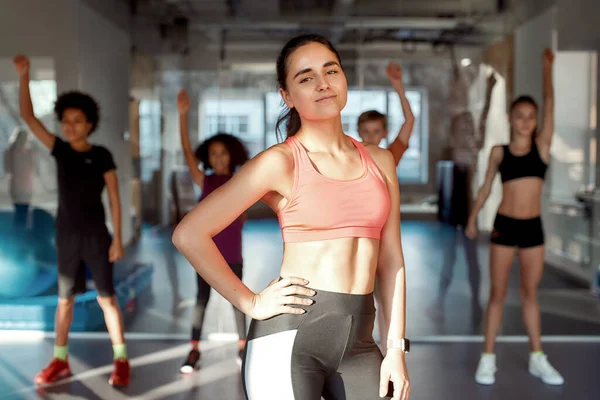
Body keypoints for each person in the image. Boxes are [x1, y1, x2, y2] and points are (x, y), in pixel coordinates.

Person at [173, 34, 410, 400]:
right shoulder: (280, 162)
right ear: (287, 95)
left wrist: (395, 347)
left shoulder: (380, 162)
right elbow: (189, 234)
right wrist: (250, 302)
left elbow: (391, 259)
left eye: (330, 70)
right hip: (289, 339)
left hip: (361, 342)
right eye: (305, 77)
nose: (322, 83)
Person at [13, 55, 130, 387]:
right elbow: (28, 116)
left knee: (107, 298)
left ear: (90, 123)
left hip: (97, 237)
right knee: (65, 300)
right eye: (65, 120)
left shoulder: (102, 155)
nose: (70, 126)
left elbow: (115, 198)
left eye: (77, 121)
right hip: (66, 237)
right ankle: (60, 360)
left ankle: (120, 359)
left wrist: (118, 239)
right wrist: (25, 77)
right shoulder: (60, 150)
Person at [466, 49, 564, 386]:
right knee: (496, 295)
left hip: (532, 228)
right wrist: (471, 219)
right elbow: (484, 188)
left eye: (530, 116)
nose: (525, 120)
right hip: (504, 226)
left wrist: (547, 69)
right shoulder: (499, 152)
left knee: (530, 294)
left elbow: (551, 105)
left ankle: (538, 358)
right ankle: (487, 358)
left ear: (536, 121)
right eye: (519, 115)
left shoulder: (542, 148)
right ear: (510, 118)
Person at [176, 89, 250, 373]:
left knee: (238, 301)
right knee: (201, 301)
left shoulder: (241, 181)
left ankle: (243, 348)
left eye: (223, 154)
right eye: (213, 154)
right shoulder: (204, 180)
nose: (218, 158)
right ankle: (194, 350)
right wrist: (183, 116)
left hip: (232, 255)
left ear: (232, 155)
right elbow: (186, 152)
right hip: (205, 255)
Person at [430, 71, 497, 323]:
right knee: (448, 260)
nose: (469, 130)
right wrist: (453, 87)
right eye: (464, 127)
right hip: (451, 212)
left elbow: (484, 119)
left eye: (470, 127)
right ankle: (438, 302)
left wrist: (489, 92)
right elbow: (454, 114)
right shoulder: (452, 149)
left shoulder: (473, 150)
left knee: (472, 262)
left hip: (468, 210)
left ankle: (476, 303)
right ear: (454, 132)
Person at [356, 61, 414, 349]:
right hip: (362, 234)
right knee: (361, 296)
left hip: (386, 236)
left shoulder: (391, 154)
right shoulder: (351, 156)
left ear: (383, 132)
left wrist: (398, 87)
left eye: (376, 131)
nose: (371, 136)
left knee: (388, 296)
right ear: (358, 133)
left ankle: (390, 349)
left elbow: (409, 122)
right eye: (365, 131)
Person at [3, 127, 34, 232]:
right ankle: (19, 233)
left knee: (21, 212)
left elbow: (8, 169)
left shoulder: (12, 152)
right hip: (21, 186)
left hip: (20, 185)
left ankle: (19, 233)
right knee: (22, 212)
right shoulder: (13, 152)